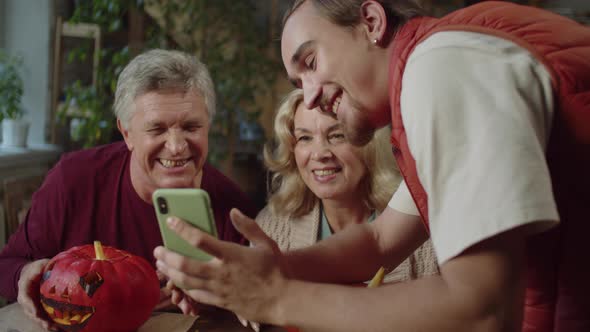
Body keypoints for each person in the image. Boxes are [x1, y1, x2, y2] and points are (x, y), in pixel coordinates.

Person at [155, 1, 590, 331]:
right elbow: (381, 240)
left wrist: (276, 298)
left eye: (311, 62)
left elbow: (485, 309)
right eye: (297, 83)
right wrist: (275, 269)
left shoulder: (440, 67)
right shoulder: (442, 64)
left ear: (372, 22)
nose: (308, 96)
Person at [0, 49, 258, 330]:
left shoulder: (233, 207)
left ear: (208, 126)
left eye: (191, 126)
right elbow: (7, 264)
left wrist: (214, 298)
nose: (176, 146)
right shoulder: (74, 180)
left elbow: (258, 299)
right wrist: (24, 274)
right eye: (157, 129)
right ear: (126, 133)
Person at [257, 89, 437, 283]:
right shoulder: (271, 228)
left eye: (337, 136)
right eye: (305, 138)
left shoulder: (423, 225)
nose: (319, 154)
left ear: (370, 143)